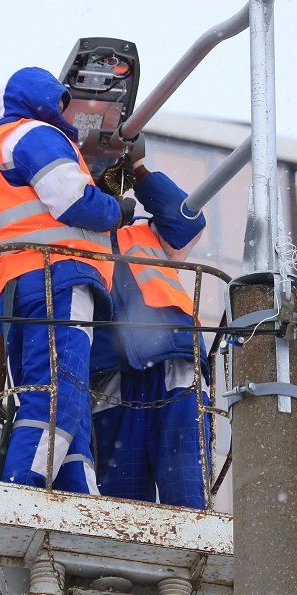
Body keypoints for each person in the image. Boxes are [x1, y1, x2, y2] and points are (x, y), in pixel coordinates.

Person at [0, 66, 132, 494]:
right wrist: (119, 210)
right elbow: (74, 199)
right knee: (61, 396)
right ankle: (24, 493)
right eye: (60, 100)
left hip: (20, 287)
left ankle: (81, 497)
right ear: (41, 99)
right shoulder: (34, 134)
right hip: (58, 275)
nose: (65, 110)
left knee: (55, 397)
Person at [91, 160, 213, 508]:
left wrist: (141, 173)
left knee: (187, 490)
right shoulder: (69, 237)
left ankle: (194, 550)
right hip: (109, 375)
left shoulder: (145, 232)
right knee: (120, 509)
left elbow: (187, 221)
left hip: (172, 362)